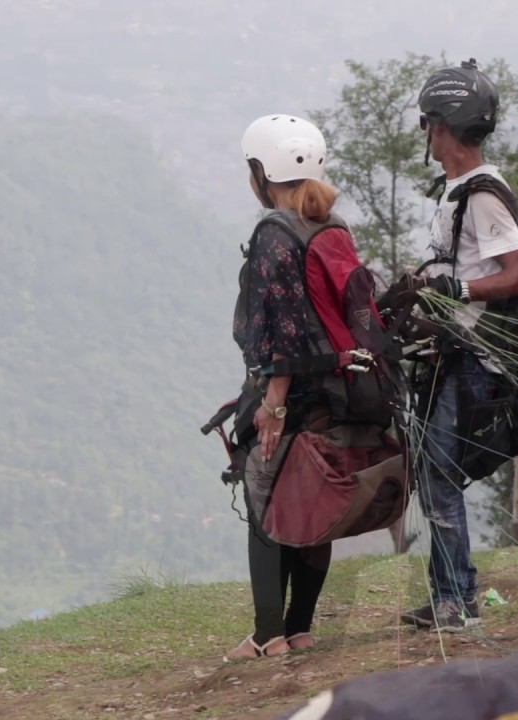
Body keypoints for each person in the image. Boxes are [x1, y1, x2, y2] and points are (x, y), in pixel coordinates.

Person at [388, 59, 518, 632]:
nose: (427, 133)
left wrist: (458, 287)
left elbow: (517, 275)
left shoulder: (482, 195)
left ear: (444, 125)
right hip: (453, 349)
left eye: (428, 122)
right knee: (434, 475)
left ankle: (456, 601)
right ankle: (453, 594)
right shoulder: (456, 192)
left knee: (439, 476)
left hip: (473, 356)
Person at [224, 114, 342, 660]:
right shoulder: (331, 226)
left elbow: (287, 331)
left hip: (290, 395)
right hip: (339, 393)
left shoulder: (275, 233)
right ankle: (300, 627)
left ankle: (268, 636)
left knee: (266, 503)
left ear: (259, 171)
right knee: (314, 507)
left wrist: (272, 405)